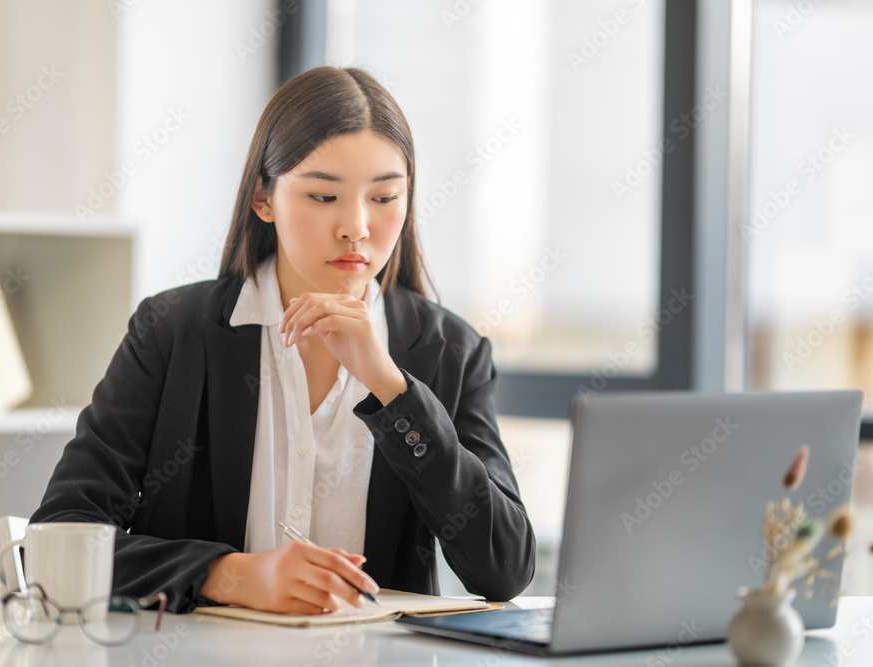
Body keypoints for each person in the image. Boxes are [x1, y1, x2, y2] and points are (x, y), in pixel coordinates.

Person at [30, 66, 535, 614]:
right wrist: (228, 575)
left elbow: (504, 568)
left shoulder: (450, 351)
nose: (357, 227)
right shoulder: (173, 330)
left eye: (385, 197)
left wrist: (393, 390)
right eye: (323, 197)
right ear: (263, 199)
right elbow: (57, 538)